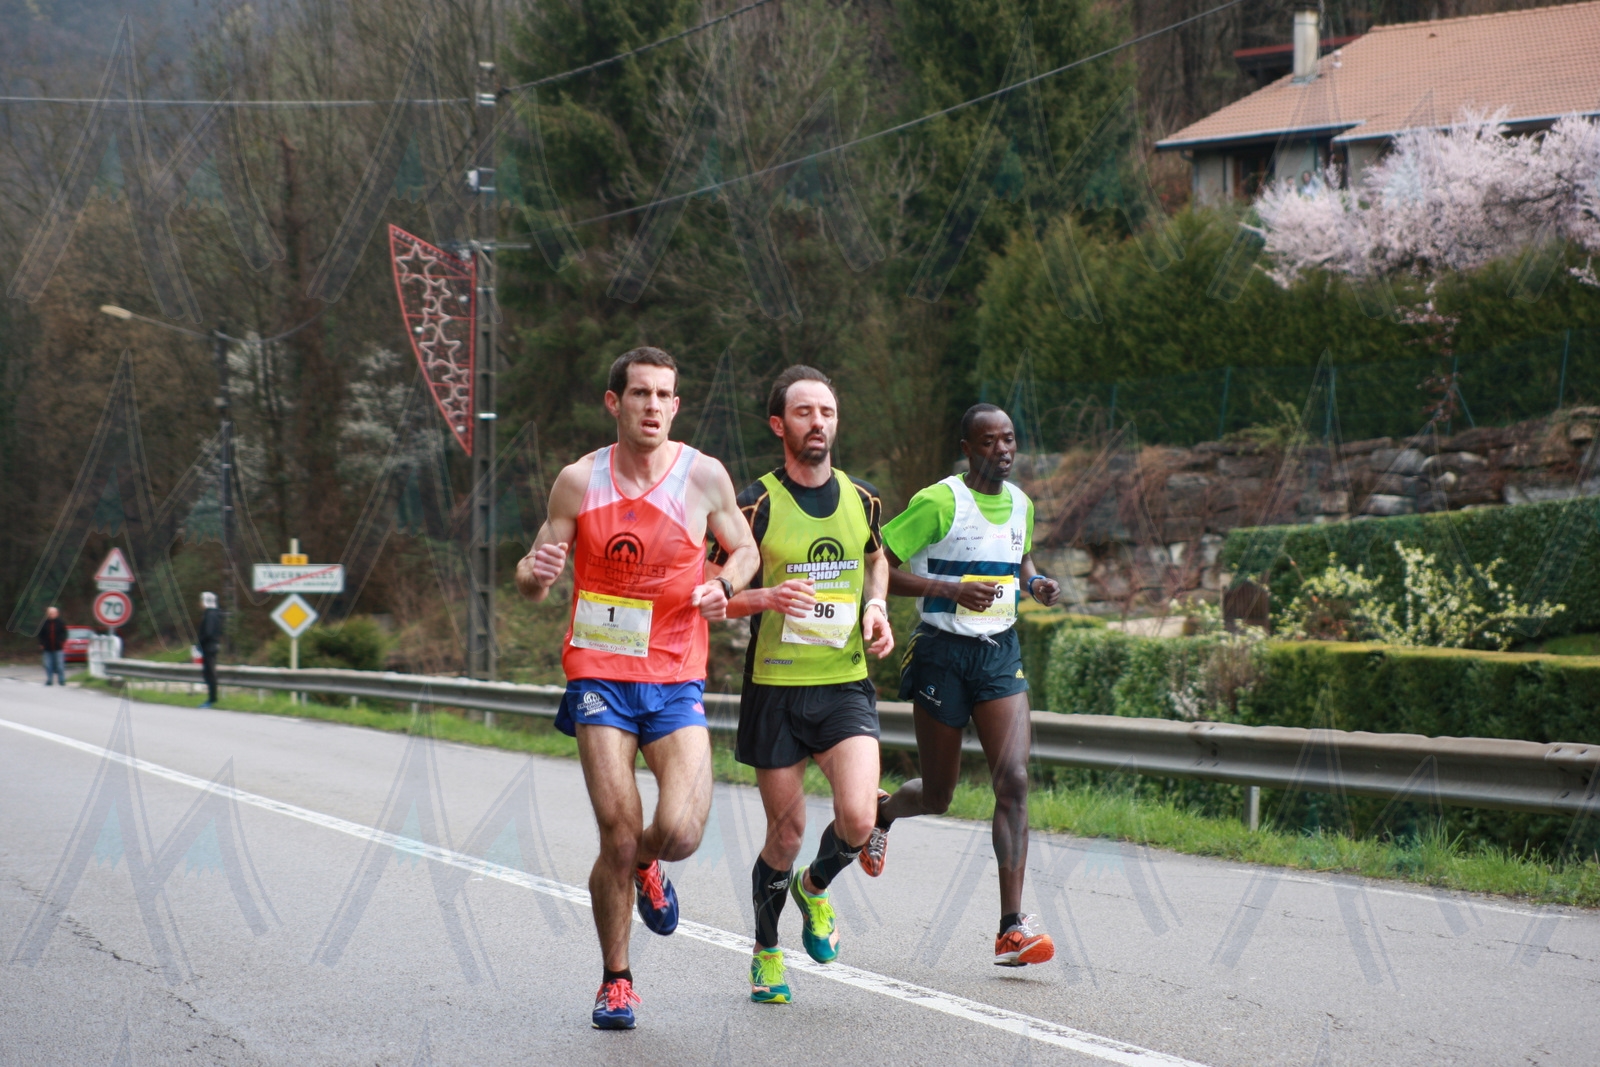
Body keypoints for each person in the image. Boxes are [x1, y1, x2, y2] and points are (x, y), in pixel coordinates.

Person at [514, 347, 759, 1030]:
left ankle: (651, 863)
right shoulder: (578, 481)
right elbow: (532, 575)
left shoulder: (703, 475)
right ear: (614, 402)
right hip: (599, 673)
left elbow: (745, 549)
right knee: (616, 836)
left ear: (676, 406)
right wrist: (536, 573)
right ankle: (616, 979)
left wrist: (725, 584)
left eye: (664, 395)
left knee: (678, 830)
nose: (653, 405)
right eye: (640, 393)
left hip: (676, 676)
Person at [712, 365, 894, 1004]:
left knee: (859, 817)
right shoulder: (752, 506)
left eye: (827, 412)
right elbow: (709, 598)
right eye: (803, 412)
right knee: (785, 834)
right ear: (778, 424)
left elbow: (876, 559)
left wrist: (877, 607)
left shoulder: (863, 499)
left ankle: (814, 887)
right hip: (775, 689)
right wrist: (765, 597)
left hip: (844, 683)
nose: (818, 423)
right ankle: (766, 951)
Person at [866, 403, 1063, 967]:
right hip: (942, 654)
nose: (1003, 450)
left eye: (1009, 440)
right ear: (968, 448)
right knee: (938, 794)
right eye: (989, 441)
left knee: (1014, 780)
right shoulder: (939, 502)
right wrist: (950, 590)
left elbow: (1021, 558)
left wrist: (1036, 583)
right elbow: (878, 566)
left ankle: (1010, 928)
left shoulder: (1021, 503)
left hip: (1000, 653)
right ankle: (883, 814)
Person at [198, 592, 223, 708]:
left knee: (210, 673)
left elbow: (208, 632)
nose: (200, 604)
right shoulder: (215, 614)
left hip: (209, 647)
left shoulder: (210, 615)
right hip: (212, 646)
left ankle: (212, 699)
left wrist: (200, 643)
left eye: (201, 601)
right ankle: (212, 698)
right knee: (209, 672)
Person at [38, 606, 67, 686]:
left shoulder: (61, 623)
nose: (52, 615)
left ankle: (61, 680)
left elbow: (64, 633)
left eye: (53, 613)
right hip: (47, 648)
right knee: (48, 665)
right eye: (50, 613)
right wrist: (41, 644)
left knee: (60, 665)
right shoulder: (44, 623)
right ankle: (49, 680)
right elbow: (41, 635)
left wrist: (62, 642)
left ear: (57, 614)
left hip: (58, 647)